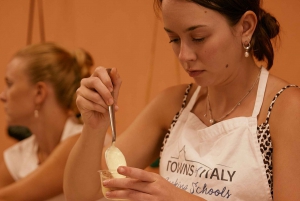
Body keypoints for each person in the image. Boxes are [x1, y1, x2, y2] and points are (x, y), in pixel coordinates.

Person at [63, 0, 300, 200]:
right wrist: (94, 127)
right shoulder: (173, 104)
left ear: (246, 27)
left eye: (198, 38)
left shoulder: (286, 109)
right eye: (174, 39)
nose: (184, 56)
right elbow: (86, 195)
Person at [0, 42, 111, 201]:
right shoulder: (18, 155)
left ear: (39, 93)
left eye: (10, 84)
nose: (2, 96)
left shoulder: (81, 142)